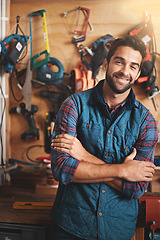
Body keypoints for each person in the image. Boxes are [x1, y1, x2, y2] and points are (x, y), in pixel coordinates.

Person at [50, 35, 158, 240]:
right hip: (70, 226)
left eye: (133, 66)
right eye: (119, 62)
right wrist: (124, 170)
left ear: (137, 74)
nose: (125, 71)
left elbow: (136, 188)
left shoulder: (146, 122)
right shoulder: (73, 105)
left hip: (117, 230)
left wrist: (83, 156)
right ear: (106, 63)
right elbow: (62, 169)